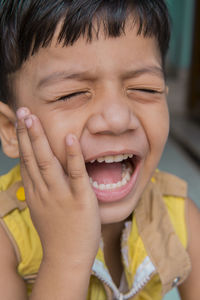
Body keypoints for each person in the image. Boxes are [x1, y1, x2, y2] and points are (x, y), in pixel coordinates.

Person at [0, 0, 199, 299]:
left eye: (146, 89)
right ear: (9, 130)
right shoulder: (6, 237)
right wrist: (66, 259)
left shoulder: (179, 217)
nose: (118, 119)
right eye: (72, 93)